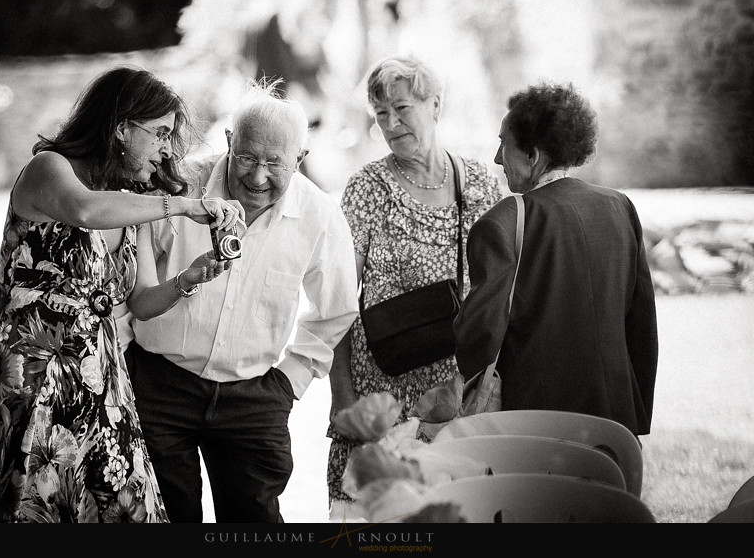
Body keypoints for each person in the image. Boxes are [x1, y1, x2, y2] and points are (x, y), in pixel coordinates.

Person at [0, 66, 244, 523]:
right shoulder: (49, 169)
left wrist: (190, 277)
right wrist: (185, 205)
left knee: (128, 513)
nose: (166, 149)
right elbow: (83, 209)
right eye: (160, 133)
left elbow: (140, 302)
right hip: (32, 379)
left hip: (102, 388)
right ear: (121, 128)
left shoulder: (127, 204)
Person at [121, 79, 358, 523]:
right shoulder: (176, 188)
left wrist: (290, 380)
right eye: (247, 156)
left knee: (254, 522)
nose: (258, 176)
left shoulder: (320, 215)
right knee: (164, 519)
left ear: (300, 159)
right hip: (160, 385)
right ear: (230, 141)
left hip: (254, 396)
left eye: (275, 163)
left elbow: (336, 310)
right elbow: (128, 285)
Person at [325, 56, 503, 513]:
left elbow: (504, 290)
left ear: (436, 105)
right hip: (380, 396)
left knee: (455, 511)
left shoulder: (481, 183)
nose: (390, 123)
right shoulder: (367, 188)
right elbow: (339, 300)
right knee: (382, 514)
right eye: (381, 114)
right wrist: (343, 399)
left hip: (457, 394)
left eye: (402, 108)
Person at [453, 82, 658, 437]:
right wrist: (636, 414)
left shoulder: (501, 223)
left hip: (533, 422)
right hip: (614, 419)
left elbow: (480, 335)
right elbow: (641, 325)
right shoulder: (619, 207)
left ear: (532, 155)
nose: (497, 158)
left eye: (504, 144)